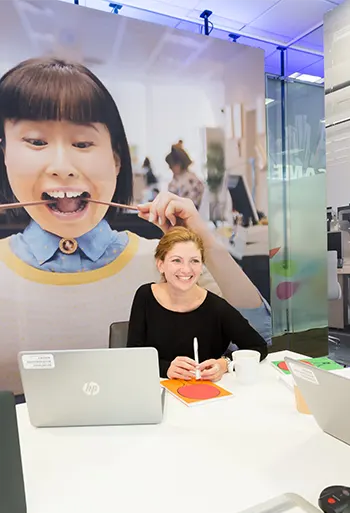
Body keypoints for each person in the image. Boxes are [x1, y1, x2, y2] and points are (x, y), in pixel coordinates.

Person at [0, 57, 271, 394]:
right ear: (5, 154)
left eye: (82, 143)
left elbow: (259, 334)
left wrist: (203, 239)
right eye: (36, 141)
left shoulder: (164, 261)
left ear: (116, 160)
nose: (62, 166)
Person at [127, 227, 267, 380]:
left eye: (194, 261)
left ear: (201, 267)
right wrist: (165, 368)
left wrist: (224, 364)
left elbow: (258, 347)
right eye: (176, 260)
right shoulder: (145, 296)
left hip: (205, 395)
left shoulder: (217, 307)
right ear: (160, 265)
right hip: (156, 392)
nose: (186, 269)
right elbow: (133, 356)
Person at [166, 142, 204, 210]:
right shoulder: (193, 179)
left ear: (178, 165)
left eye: (171, 166)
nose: (170, 169)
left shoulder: (190, 182)